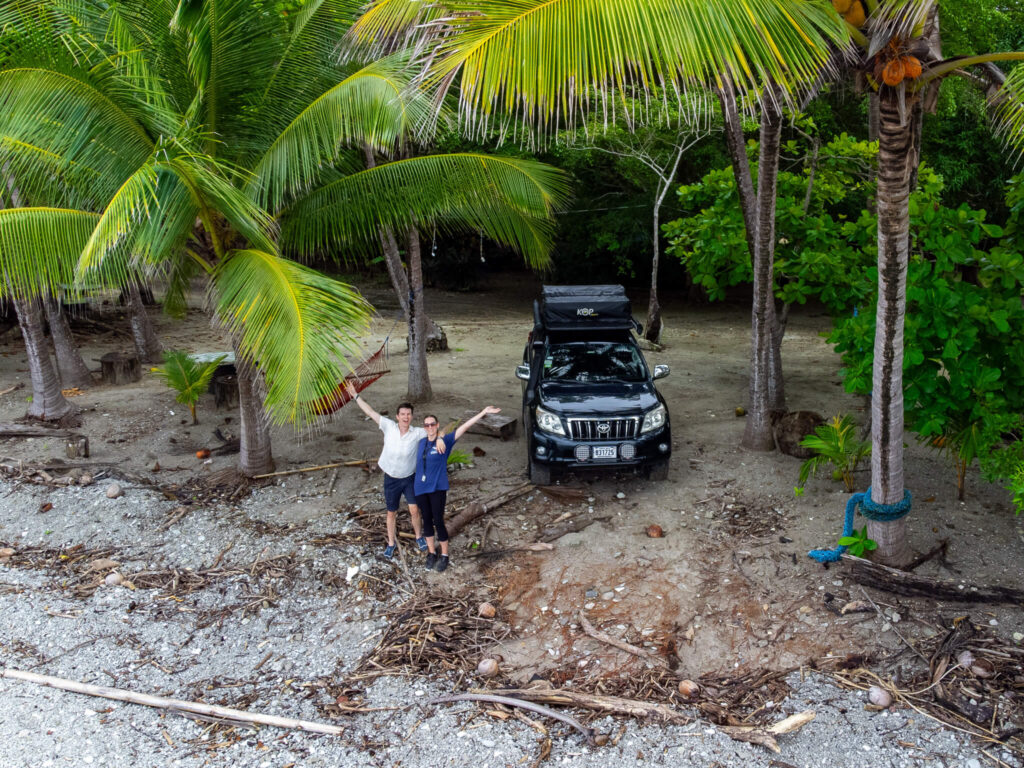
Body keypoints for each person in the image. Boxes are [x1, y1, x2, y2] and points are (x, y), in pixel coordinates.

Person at [345, 381, 445, 559]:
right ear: (397, 416)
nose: (406, 417)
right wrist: (355, 395)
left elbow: (437, 431)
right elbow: (370, 412)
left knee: (415, 510)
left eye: (408, 414)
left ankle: (419, 536)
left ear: (412, 417)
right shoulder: (388, 426)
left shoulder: (417, 433)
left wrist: (440, 439)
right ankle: (391, 543)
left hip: (409, 478)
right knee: (391, 512)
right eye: (403, 414)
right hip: (391, 478)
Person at [415, 405, 501, 573]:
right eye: (427, 425)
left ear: (437, 425)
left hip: (437, 488)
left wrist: (482, 412)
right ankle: (431, 553)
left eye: (433, 424)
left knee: (438, 521)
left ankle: (445, 555)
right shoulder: (420, 442)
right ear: (424, 427)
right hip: (420, 487)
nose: (430, 427)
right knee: (426, 521)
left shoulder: (445, 441)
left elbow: (465, 426)